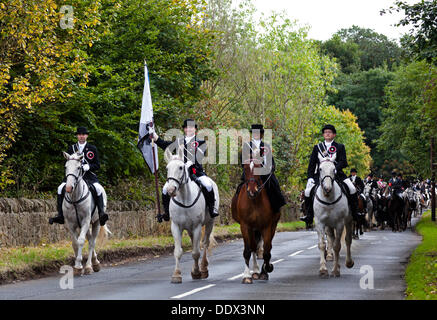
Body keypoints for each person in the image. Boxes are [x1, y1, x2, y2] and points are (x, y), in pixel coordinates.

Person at [151, 119, 218, 222]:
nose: (189, 129)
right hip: (180, 173)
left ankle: (211, 209)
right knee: (165, 189)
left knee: (208, 185)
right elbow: (166, 145)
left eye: (191, 127)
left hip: (195, 172)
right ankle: (167, 213)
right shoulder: (179, 141)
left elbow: (200, 155)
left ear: (195, 129)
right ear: (184, 129)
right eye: (186, 127)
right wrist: (155, 137)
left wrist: (191, 162)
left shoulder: (200, 142)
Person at [49, 127, 109, 226]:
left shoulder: (92, 148)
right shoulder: (71, 148)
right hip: (73, 176)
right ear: (77, 136)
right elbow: (68, 163)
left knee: (98, 189)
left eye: (83, 134)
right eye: (79, 134)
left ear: (87, 136)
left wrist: (88, 166)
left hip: (88, 176)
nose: (81, 136)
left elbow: (97, 165)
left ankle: (101, 213)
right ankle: (60, 215)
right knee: (60, 188)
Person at [300, 124, 359, 225]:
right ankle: (309, 216)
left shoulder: (340, 146)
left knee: (352, 189)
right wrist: (310, 177)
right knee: (307, 192)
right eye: (325, 132)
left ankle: (355, 213)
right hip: (320, 176)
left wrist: (336, 169)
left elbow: (344, 162)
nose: (327, 133)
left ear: (334, 135)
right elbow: (312, 164)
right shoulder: (317, 147)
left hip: (338, 174)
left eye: (330, 132)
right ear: (323, 135)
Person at [239, 124, 287, 214]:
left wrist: (271, 167)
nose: (256, 135)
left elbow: (270, 160)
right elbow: (242, 160)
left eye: (258, 133)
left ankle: (277, 207)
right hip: (250, 172)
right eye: (254, 133)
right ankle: (236, 208)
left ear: (261, 134)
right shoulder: (246, 146)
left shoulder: (266, 146)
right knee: (239, 188)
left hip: (264, 172)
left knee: (274, 184)